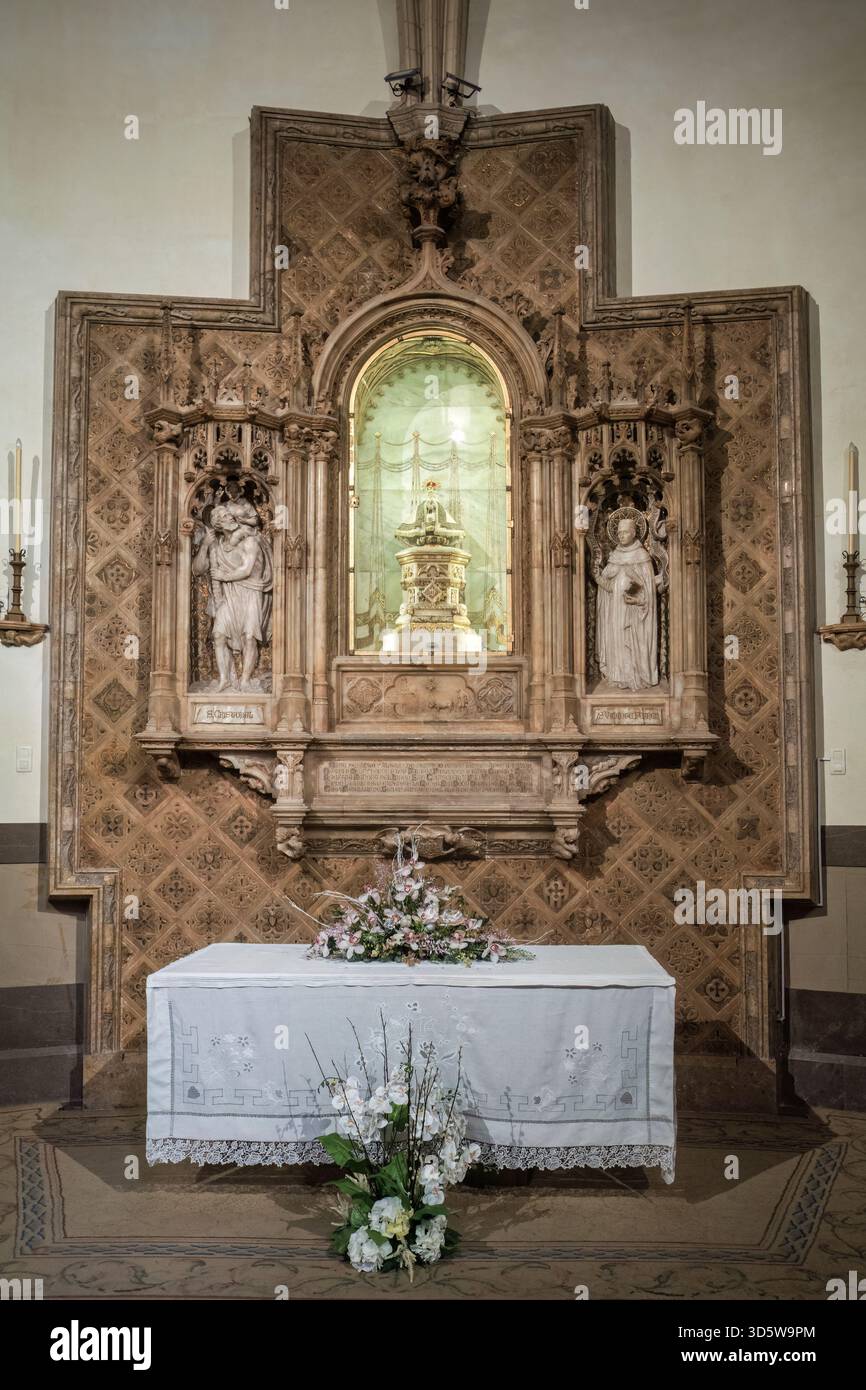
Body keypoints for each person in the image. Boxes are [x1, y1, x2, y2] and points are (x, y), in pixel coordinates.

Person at [192, 503, 273, 691]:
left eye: (230, 515)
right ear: (218, 524)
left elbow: (247, 569)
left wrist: (224, 576)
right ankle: (224, 679)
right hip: (227, 596)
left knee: (249, 637)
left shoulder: (250, 541)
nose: (231, 518)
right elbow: (197, 570)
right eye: (226, 516)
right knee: (219, 635)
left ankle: (244, 680)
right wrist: (204, 545)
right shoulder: (216, 546)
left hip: (250, 592)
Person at [596, 516, 660, 690]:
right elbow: (606, 585)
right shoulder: (614, 556)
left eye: (625, 532)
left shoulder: (642, 556)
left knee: (634, 643)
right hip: (616, 608)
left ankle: (637, 675)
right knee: (617, 640)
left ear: (633, 533)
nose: (621, 536)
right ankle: (620, 676)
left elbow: (649, 589)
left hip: (636, 612)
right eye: (618, 533)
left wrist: (638, 598)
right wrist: (599, 578)